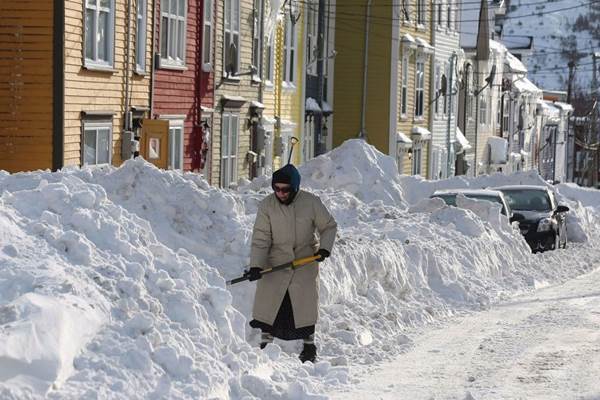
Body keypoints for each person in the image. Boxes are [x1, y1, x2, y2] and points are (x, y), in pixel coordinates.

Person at [246, 164, 337, 363]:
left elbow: (329, 226)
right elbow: (261, 238)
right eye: (276, 189)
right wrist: (256, 266)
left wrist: (324, 248)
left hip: (304, 260)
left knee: (303, 306)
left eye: (285, 189)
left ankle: (309, 346)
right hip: (276, 261)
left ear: (294, 188)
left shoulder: (311, 203)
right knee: (270, 304)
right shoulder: (267, 206)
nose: (281, 193)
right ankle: (265, 344)